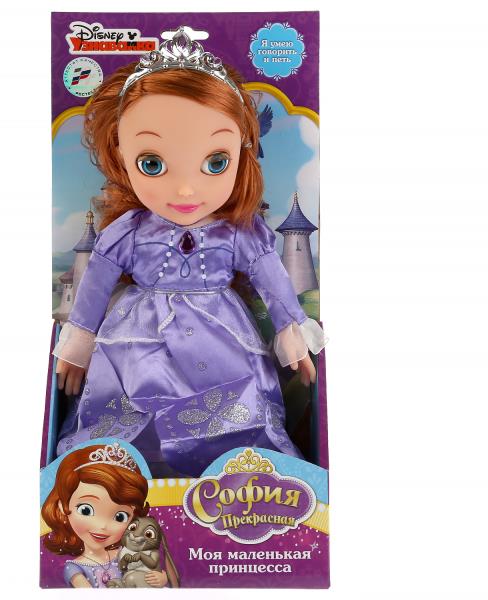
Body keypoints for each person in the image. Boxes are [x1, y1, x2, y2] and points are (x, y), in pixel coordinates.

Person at [53, 26, 327, 476]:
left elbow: (271, 278)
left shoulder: (238, 233)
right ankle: (124, 475)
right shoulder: (128, 232)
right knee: (127, 406)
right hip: (137, 340)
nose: (184, 189)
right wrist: (79, 340)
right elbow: (96, 284)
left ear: (241, 154)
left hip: (221, 338)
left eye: (215, 163)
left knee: (235, 406)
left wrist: (291, 328)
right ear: (121, 155)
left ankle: (239, 475)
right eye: (152, 164)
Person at [41, 443, 177, 588]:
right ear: (63, 506)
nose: (103, 526)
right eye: (86, 510)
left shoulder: (126, 553)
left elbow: (146, 576)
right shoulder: (75, 568)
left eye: (120, 517)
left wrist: (161, 579)